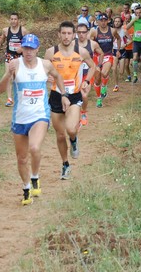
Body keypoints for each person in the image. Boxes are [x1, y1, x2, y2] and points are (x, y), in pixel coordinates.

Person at [0, 34, 69, 206]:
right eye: (26, 48)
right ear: (21, 49)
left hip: (40, 115)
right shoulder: (15, 65)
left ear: (38, 49)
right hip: (20, 118)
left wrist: (64, 95)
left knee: (35, 147)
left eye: (32, 48)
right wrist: (9, 74)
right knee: (21, 158)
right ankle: (26, 187)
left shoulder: (45, 65)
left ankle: (35, 176)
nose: (28, 52)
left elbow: (58, 77)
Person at [45, 21, 96, 180]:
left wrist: (86, 81)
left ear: (73, 35)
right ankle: (65, 164)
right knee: (60, 136)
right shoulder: (50, 52)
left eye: (69, 33)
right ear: (58, 34)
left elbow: (92, 66)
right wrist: (46, 77)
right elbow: (43, 70)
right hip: (56, 96)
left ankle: (74, 140)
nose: (66, 36)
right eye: (63, 33)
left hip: (74, 96)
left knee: (71, 129)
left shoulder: (81, 52)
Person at [89, 13, 121, 107]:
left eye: (105, 20)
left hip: (108, 55)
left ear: (108, 21)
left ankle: (104, 86)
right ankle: (99, 98)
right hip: (97, 56)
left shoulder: (112, 31)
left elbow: (118, 39)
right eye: (101, 20)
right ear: (97, 21)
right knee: (97, 79)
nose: (103, 22)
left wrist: (118, 50)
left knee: (104, 73)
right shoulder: (94, 32)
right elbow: (89, 44)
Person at [0, 12, 28, 107]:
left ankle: (21, 97)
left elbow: (28, 43)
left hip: (20, 57)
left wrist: (22, 49)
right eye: (12, 19)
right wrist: (0, 41)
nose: (13, 21)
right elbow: (2, 40)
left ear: (18, 20)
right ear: (9, 20)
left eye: (15, 19)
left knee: (19, 77)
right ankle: (9, 99)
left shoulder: (23, 30)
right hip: (10, 55)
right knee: (9, 76)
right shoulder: (6, 30)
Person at [76, 23, 102, 126]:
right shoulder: (72, 44)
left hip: (88, 73)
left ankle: (83, 112)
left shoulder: (93, 44)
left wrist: (98, 65)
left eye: (83, 32)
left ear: (87, 33)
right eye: (79, 32)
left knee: (84, 94)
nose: (81, 34)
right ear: (76, 33)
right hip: (75, 74)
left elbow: (101, 53)